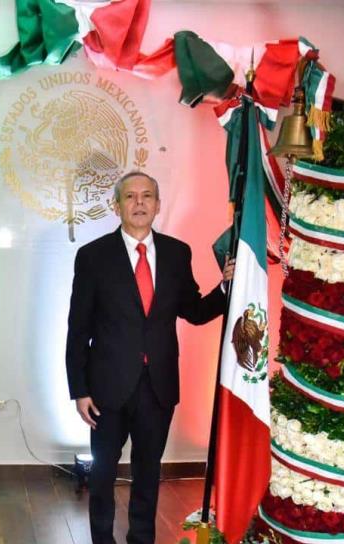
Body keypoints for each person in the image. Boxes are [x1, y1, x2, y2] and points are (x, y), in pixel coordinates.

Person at [65, 172, 234, 544]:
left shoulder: (177, 253)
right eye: (130, 196)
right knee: (104, 473)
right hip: (106, 387)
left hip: (157, 385)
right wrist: (79, 389)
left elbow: (193, 310)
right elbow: (78, 329)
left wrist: (226, 286)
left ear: (158, 205)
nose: (139, 203)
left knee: (147, 471)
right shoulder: (93, 256)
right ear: (117, 205)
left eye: (147, 196)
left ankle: (142, 539)